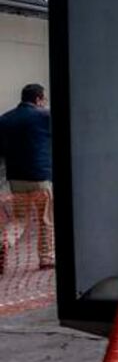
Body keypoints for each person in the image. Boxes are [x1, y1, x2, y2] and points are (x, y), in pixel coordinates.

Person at [0, 84, 54, 272]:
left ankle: (3, 243)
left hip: (16, 178)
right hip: (40, 177)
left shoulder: (5, 119)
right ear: (39, 99)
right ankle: (46, 259)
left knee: (19, 219)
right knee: (45, 219)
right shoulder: (44, 117)